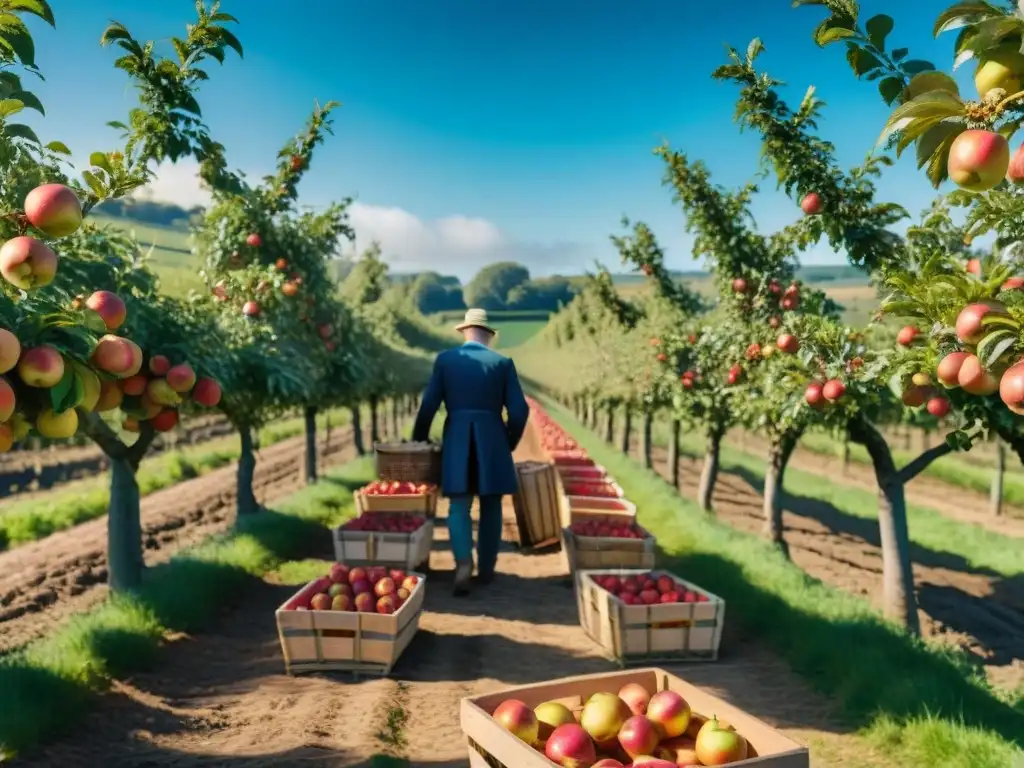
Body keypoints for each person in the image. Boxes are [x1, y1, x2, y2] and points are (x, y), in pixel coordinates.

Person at [412, 308, 530, 596]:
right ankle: (487, 568)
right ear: (488, 336)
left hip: (457, 438)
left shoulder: (446, 360)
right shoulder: (503, 363)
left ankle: (463, 565)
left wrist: (419, 439)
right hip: (492, 437)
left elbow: (429, 405)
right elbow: (519, 410)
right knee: (491, 505)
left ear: (464, 332)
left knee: (458, 505)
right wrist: (510, 440)